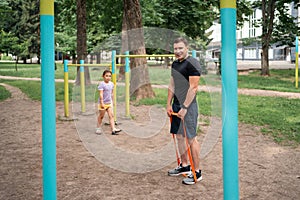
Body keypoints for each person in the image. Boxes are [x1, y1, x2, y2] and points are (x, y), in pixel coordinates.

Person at [166, 37, 202, 185]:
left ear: (187, 47)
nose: (178, 51)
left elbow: (193, 88)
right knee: (179, 137)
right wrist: (168, 104)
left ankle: (197, 172)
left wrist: (185, 107)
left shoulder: (193, 63)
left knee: (191, 139)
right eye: (175, 49)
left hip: (189, 107)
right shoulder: (175, 64)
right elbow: (172, 84)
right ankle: (185, 166)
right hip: (176, 105)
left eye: (180, 48)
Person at [96, 70, 121, 135]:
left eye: (110, 76)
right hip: (103, 103)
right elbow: (101, 94)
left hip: (109, 103)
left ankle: (113, 129)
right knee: (101, 116)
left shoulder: (112, 84)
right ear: (103, 76)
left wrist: (113, 101)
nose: (108, 77)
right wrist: (101, 102)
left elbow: (112, 93)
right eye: (106, 76)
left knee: (111, 116)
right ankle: (98, 128)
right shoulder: (101, 84)